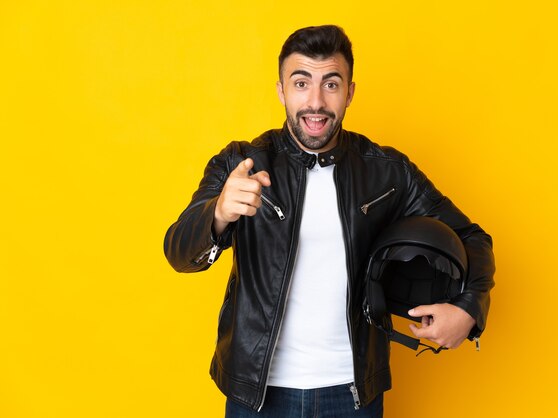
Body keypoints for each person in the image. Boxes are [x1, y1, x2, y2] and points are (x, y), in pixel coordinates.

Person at [164, 25, 495, 418]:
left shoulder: (387, 172)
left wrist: (470, 308)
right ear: (281, 91)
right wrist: (217, 214)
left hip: (353, 392)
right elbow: (178, 252)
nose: (316, 102)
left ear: (350, 92)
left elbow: (472, 237)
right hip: (258, 395)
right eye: (301, 83)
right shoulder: (242, 162)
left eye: (331, 84)